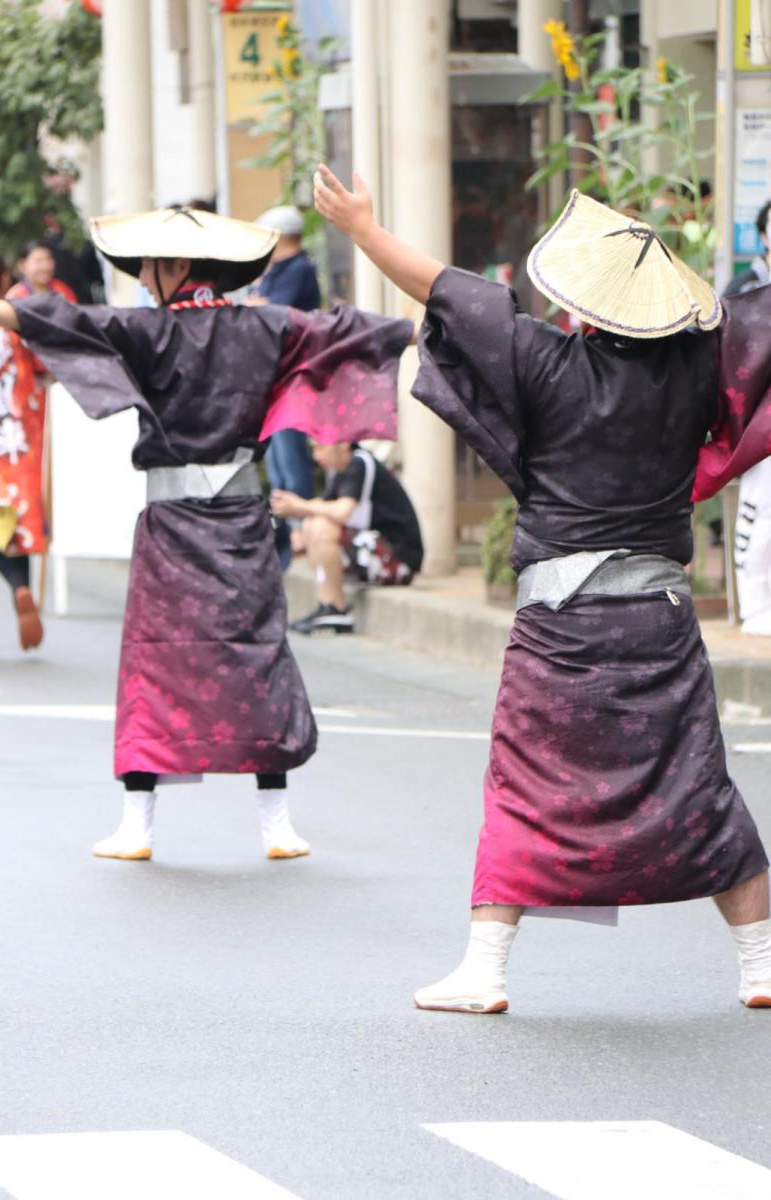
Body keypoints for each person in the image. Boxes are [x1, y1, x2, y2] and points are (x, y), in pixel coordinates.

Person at [315, 166, 771, 1013]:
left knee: (524, 784)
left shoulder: (547, 359)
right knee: (697, 781)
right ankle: (760, 963)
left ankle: (484, 971)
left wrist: (363, 229)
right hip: (661, 618)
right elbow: (756, 329)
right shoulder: (697, 376)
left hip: (560, 625)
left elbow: (448, 294)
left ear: (588, 307)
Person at [0, 205, 411, 862]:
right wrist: (424, 321)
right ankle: (277, 825)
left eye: (149, 270)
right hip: (239, 522)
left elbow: (52, 318)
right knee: (257, 659)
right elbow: (355, 332)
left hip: (174, 526)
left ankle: (137, 825)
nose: (145, 281)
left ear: (176, 267)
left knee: (155, 665)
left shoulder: (144, 329)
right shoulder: (270, 325)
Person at [0, 252, 45, 656]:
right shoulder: (16, 324)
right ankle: (20, 587)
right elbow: (43, 369)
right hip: (10, 453)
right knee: (7, 536)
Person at [273, 441, 423, 634]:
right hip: (372, 553)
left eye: (321, 447)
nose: (316, 456)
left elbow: (343, 511)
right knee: (313, 524)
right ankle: (327, 604)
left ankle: (335, 607)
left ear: (343, 444)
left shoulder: (360, 463)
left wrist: (300, 506)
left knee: (320, 526)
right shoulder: (340, 470)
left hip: (398, 563)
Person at [252, 205, 322, 569]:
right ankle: (285, 535)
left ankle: (298, 532)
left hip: (295, 376)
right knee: (278, 460)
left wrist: (257, 305)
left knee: (291, 457)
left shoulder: (298, 270)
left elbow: (271, 313)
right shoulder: (276, 271)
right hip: (276, 376)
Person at [722, 199, 771, 633]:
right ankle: (755, 607)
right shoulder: (744, 289)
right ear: (763, 236)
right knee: (759, 515)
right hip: (760, 424)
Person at [6, 240, 78, 303]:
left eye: (49, 259)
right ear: (22, 265)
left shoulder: (62, 290)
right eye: (39, 261)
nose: (46, 267)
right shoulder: (15, 297)